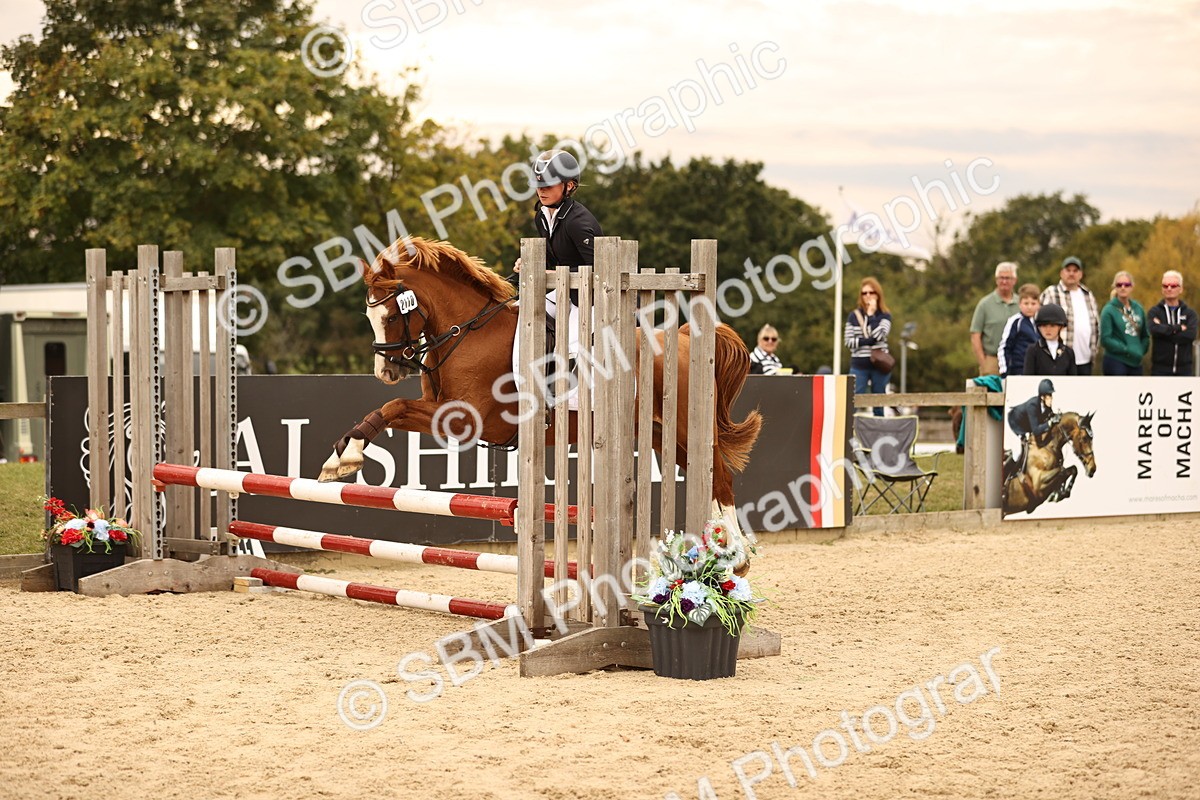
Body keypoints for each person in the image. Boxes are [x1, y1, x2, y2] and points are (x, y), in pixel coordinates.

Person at [510, 150, 603, 397]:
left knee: (571, 342)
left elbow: (597, 269)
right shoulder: (542, 216)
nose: (541, 190)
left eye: (548, 185)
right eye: (538, 185)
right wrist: (528, 263)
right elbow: (555, 258)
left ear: (569, 186)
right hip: (565, 294)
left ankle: (573, 398)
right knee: (516, 311)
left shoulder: (578, 221)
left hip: (591, 301)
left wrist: (547, 271)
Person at [1040, 256, 1099, 375]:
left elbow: (1096, 324)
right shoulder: (1051, 292)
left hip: (1085, 359)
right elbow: (1040, 323)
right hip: (1059, 358)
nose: (1071, 274)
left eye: (1075, 271)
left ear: (1081, 274)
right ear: (1061, 273)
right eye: (1068, 270)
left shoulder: (1088, 294)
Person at [844, 277, 892, 416]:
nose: (868, 296)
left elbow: (880, 335)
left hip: (880, 365)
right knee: (854, 400)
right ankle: (847, 433)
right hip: (859, 365)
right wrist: (869, 341)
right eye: (864, 293)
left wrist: (871, 316)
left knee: (878, 402)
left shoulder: (885, 315)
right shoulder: (854, 316)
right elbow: (849, 342)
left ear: (878, 294)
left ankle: (879, 432)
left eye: (871, 292)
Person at [1003, 378, 1060, 481]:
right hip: (1013, 424)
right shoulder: (1032, 406)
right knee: (1017, 452)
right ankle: (1007, 478)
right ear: (1042, 397)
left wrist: (1057, 417)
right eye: (1049, 396)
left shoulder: (1046, 407)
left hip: (1023, 427)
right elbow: (1036, 430)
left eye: (1051, 395)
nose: (1051, 398)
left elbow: (1050, 417)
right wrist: (1050, 423)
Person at [970, 262, 1019, 375]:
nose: (1004, 281)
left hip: (1016, 360)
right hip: (992, 360)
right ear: (996, 280)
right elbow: (975, 335)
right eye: (1001, 278)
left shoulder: (1022, 303)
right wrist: (983, 363)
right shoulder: (985, 304)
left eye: (1008, 278)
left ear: (1014, 280)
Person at [1147, 270, 1197, 376]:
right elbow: (1154, 330)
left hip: (1184, 370)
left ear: (1181, 289)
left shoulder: (1190, 313)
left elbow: (1190, 335)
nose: (1169, 288)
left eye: (1173, 286)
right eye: (1165, 286)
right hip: (1160, 370)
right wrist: (1178, 328)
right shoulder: (1154, 312)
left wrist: (1164, 331)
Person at [1099, 270, 1149, 376]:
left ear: (1132, 287)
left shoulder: (1138, 308)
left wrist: (1140, 350)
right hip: (1116, 361)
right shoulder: (1109, 310)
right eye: (1119, 284)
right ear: (1115, 287)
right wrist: (1126, 349)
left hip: (1136, 362)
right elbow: (1105, 339)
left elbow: (1145, 335)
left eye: (1126, 284)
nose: (1123, 287)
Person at [997, 283, 1041, 378]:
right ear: (1020, 304)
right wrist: (1004, 371)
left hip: (1037, 371)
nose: (1029, 307)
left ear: (1039, 305)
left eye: (1033, 304)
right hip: (1018, 370)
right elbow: (1004, 347)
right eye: (1026, 303)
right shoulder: (1015, 321)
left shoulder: (1041, 323)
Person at [1023, 303, 1077, 376]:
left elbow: (1072, 380)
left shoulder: (1068, 352)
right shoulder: (1033, 350)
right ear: (1039, 327)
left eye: (1052, 325)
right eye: (1044, 326)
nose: (1048, 330)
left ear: (1061, 327)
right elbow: (1028, 377)